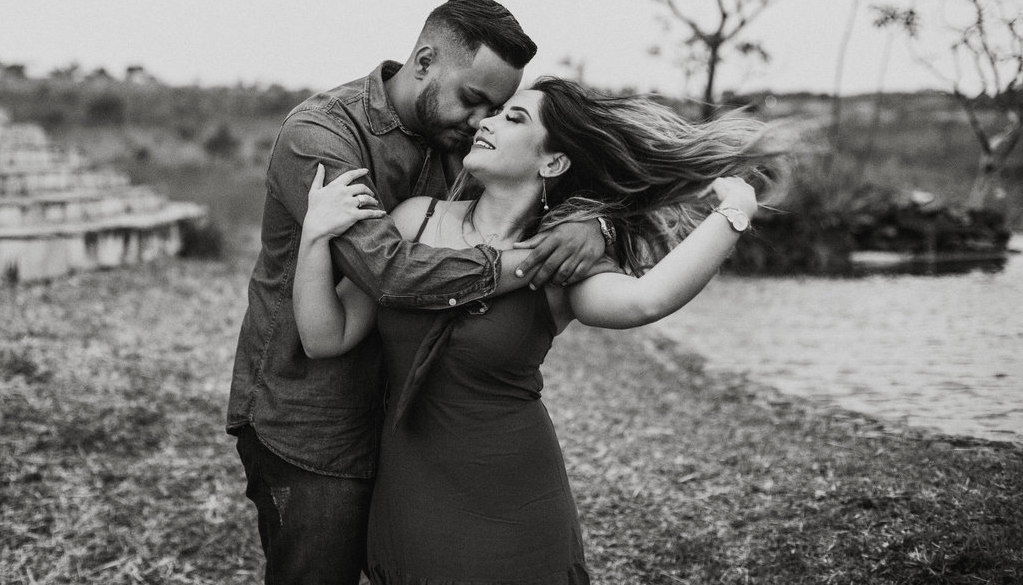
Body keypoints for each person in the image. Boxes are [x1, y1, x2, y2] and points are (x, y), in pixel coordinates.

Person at [293, 76, 780, 583]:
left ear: (553, 163)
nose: (487, 122)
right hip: (412, 490)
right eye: (495, 113)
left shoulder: (559, 261)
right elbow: (325, 337)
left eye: (514, 118)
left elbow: (646, 300)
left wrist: (734, 213)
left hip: (516, 498)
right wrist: (314, 238)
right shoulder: (416, 220)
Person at [227, 0, 610, 585]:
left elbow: (548, 180)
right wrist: (531, 261)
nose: (481, 120)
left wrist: (593, 223)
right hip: (313, 418)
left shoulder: (459, 141)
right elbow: (389, 272)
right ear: (425, 62)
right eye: (473, 99)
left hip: (408, 428)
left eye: (497, 109)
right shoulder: (321, 134)